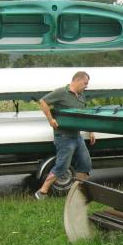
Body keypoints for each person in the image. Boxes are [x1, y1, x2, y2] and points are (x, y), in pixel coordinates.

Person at [34, 71, 96, 199]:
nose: (86, 86)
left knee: (85, 164)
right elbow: (43, 102)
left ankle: (78, 193)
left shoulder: (81, 96)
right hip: (64, 137)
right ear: (77, 80)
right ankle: (42, 192)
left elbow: (84, 114)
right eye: (85, 83)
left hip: (77, 136)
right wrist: (51, 120)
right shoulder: (61, 92)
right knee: (62, 166)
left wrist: (90, 130)